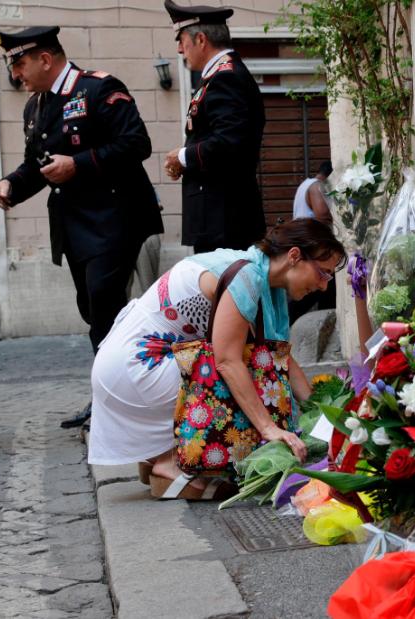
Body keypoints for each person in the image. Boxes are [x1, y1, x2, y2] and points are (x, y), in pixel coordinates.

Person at [86, 219, 346, 499]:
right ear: (294, 256)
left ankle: (160, 454)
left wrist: (320, 414)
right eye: (323, 273)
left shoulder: (253, 268)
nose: (323, 286)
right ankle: (170, 464)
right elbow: (228, 362)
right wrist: (269, 429)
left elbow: (280, 355)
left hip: (129, 364)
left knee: (259, 362)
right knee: (247, 368)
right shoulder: (246, 278)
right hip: (137, 369)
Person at [0, 26, 163, 429]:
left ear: (45, 59)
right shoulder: (35, 107)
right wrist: (10, 185)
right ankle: (111, 395)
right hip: (74, 228)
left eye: (19, 63)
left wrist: (77, 164)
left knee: (105, 304)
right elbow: (37, 166)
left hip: (115, 219)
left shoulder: (99, 89)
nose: (16, 74)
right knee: (93, 311)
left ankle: (120, 403)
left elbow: (137, 144)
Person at [162, 0, 266, 254]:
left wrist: (183, 156)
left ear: (200, 40)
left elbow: (230, 141)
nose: (179, 49)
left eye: (181, 40)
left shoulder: (225, 77)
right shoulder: (218, 76)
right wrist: (185, 162)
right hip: (220, 217)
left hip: (225, 218)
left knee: (225, 291)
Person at [288, 161, 336, 322]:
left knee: (323, 290)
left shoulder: (305, 184)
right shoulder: (317, 186)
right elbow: (322, 215)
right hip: (313, 249)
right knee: (315, 290)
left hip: (307, 245)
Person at [292, 160, 334, 226]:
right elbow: (323, 217)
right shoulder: (316, 186)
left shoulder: (305, 183)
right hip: (309, 233)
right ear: (331, 176)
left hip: (302, 231)